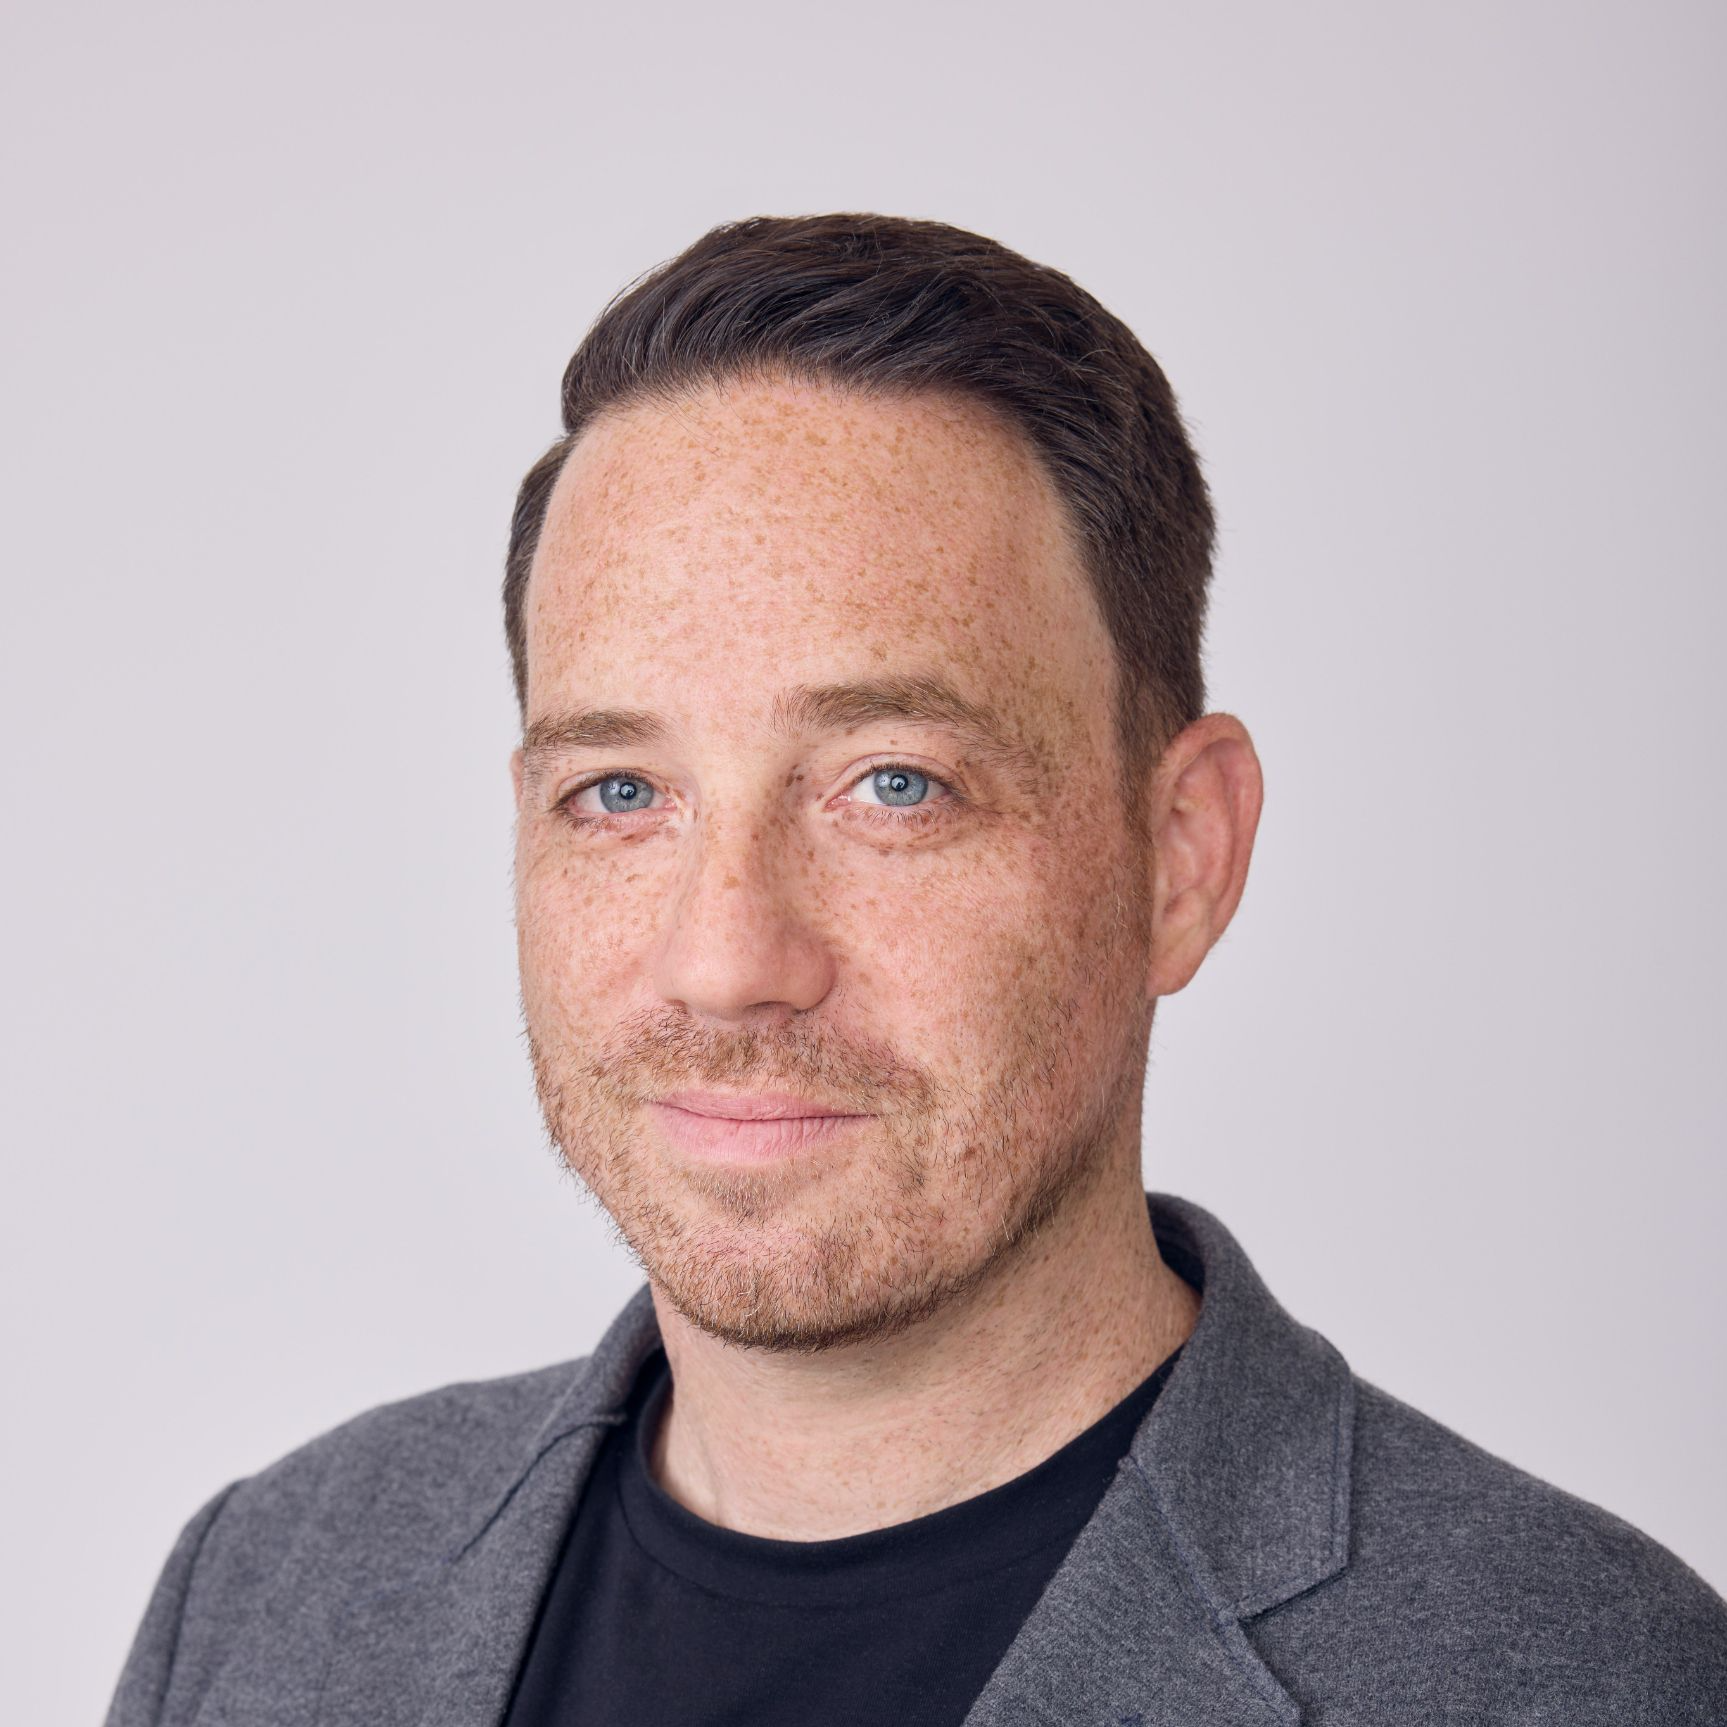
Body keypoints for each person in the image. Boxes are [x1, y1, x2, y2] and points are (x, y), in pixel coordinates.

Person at [105, 213, 1727, 1726]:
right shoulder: (262, 1591)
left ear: (1180, 854)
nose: (725, 960)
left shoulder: (1589, 1679)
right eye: (618, 791)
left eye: (893, 783)